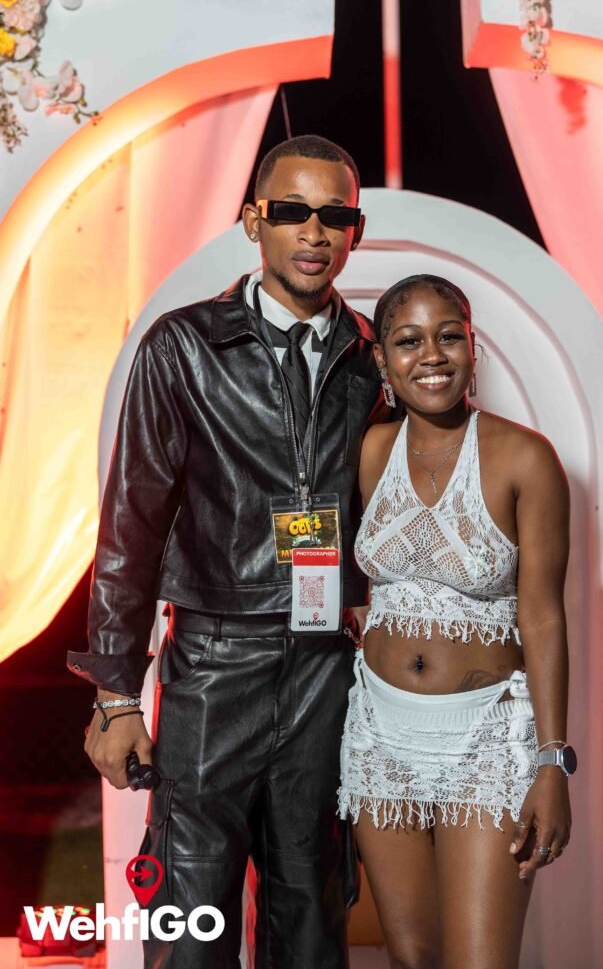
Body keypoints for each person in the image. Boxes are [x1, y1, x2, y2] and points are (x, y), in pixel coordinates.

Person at [67, 134, 390, 968]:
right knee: (190, 912)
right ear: (253, 221)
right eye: (291, 211)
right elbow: (131, 525)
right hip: (214, 663)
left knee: (311, 912)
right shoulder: (184, 347)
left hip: (326, 666)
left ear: (354, 230)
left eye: (334, 215)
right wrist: (115, 695)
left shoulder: (370, 357)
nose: (313, 232)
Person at [338, 274, 574, 969]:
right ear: (382, 360)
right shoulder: (370, 451)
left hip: (486, 740)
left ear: (473, 347)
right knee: (413, 957)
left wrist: (552, 762)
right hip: (378, 735)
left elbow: (543, 618)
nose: (431, 356)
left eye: (448, 336)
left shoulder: (523, 457)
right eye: (408, 341)